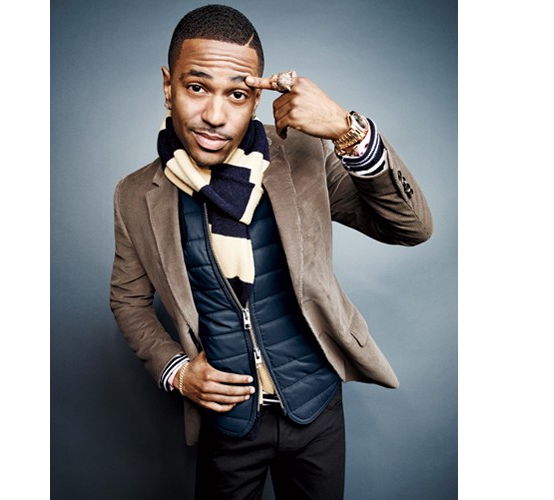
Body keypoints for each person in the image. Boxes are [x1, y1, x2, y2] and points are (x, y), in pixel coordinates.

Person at [110, 4, 432, 499]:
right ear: (168, 86)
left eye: (236, 94)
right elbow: (128, 301)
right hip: (227, 424)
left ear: (256, 98)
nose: (215, 116)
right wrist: (177, 372)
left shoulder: (303, 156)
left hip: (317, 409)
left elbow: (411, 227)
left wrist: (346, 128)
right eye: (196, 87)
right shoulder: (134, 195)